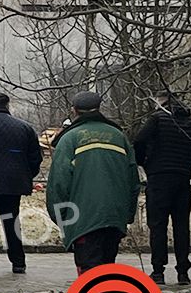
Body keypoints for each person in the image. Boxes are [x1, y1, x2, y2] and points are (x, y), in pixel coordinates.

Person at [47, 91, 140, 275]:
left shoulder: (69, 139)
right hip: (114, 217)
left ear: (74, 111)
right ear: (99, 108)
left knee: (89, 273)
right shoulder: (118, 137)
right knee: (107, 268)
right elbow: (133, 180)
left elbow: (58, 183)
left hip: (83, 220)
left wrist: (62, 218)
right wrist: (127, 215)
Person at [133, 91, 191, 285]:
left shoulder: (156, 119)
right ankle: (183, 272)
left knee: (158, 226)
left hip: (159, 179)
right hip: (182, 179)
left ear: (162, 102)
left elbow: (138, 141)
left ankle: (158, 271)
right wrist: (185, 166)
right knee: (182, 226)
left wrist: (145, 163)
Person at [0, 93, 42, 275]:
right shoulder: (25, 128)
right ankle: (18, 262)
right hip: (13, 185)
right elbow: (35, 158)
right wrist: (25, 176)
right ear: (8, 105)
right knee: (12, 222)